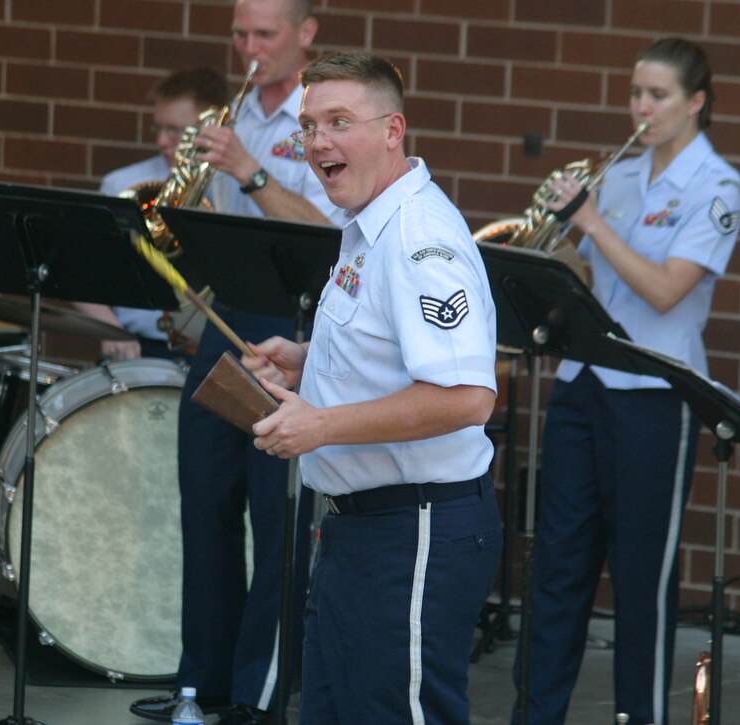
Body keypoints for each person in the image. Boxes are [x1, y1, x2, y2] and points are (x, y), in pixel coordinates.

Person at [241, 51, 503, 724]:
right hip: (357, 531)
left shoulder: (419, 238)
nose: (318, 141)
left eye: (338, 122)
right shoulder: (366, 222)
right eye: (308, 124)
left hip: (414, 530)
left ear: (393, 130)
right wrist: (304, 360)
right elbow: (387, 349)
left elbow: (467, 397)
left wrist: (322, 425)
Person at [512, 37, 740, 725]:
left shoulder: (716, 185)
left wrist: (590, 220)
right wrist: (557, 239)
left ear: (695, 101)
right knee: (557, 569)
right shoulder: (619, 175)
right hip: (585, 381)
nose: (641, 109)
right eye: (635, 93)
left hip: (655, 390)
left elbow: (667, 290)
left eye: (658, 95)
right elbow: (595, 285)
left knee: (642, 580)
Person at [128, 1, 340, 723]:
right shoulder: (234, 110)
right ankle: (201, 684)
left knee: (277, 518)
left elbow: (332, 234)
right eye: (240, 35)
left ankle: (259, 693)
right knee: (207, 500)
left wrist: (250, 173)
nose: (249, 50)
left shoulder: (325, 119)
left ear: (306, 34)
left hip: (296, 327)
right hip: (227, 320)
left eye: (266, 35)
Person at [81, 67, 228, 361]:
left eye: (174, 130)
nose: (162, 141)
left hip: (218, 351)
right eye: (157, 128)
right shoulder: (121, 184)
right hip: (137, 347)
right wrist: (111, 328)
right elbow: (83, 271)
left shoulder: (233, 189)